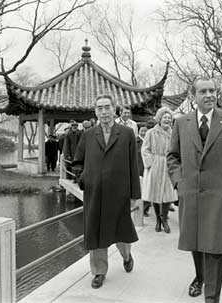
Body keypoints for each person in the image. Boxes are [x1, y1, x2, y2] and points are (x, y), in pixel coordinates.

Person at [167, 78, 222, 302]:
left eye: (212, 91)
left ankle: (211, 298)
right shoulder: (181, 123)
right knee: (196, 242)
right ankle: (199, 277)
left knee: (215, 248)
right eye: (203, 91)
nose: (209, 95)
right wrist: (179, 182)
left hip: (219, 196)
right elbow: (173, 156)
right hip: (191, 195)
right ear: (193, 96)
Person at [73, 94, 141, 289]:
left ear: (114, 109)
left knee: (121, 232)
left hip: (119, 194)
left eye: (107, 107)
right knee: (95, 233)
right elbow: (77, 161)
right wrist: (83, 178)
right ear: (95, 111)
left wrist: (135, 195)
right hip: (94, 194)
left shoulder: (127, 134)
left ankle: (126, 256)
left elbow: (133, 166)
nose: (103, 111)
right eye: (99, 108)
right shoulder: (88, 135)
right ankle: (99, 271)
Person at [141, 107, 178, 233]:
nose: (167, 120)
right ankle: (158, 219)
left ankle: (165, 220)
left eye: (169, 118)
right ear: (159, 119)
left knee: (168, 194)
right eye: (165, 117)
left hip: (169, 165)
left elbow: (178, 150)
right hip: (155, 164)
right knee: (155, 194)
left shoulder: (174, 133)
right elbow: (145, 149)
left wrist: (176, 164)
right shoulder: (151, 132)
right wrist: (150, 163)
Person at [137, 126, 150, 216]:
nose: (143, 133)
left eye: (145, 131)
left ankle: (145, 209)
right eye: (142, 131)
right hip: (138, 169)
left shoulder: (150, 141)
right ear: (138, 131)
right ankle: (140, 209)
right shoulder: (135, 141)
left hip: (148, 169)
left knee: (147, 190)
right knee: (140, 191)